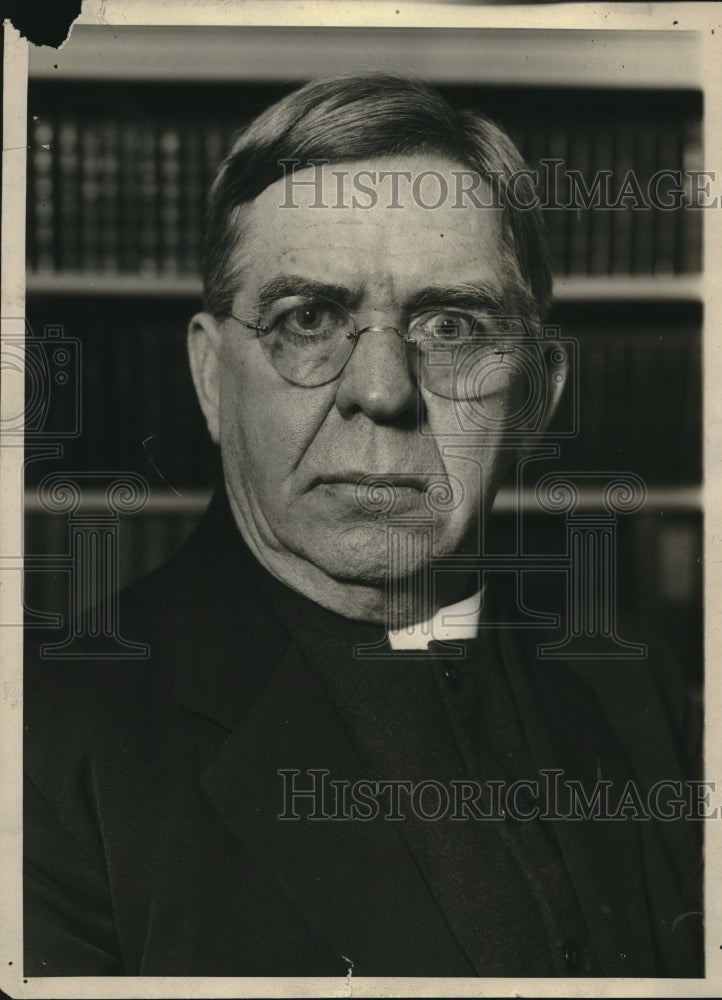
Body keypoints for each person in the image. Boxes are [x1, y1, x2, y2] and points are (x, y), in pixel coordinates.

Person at [24, 73, 703, 978]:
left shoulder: (641, 695)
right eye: (309, 319)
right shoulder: (43, 747)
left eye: (451, 325)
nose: (381, 392)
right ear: (212, 379)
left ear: (538, 392)